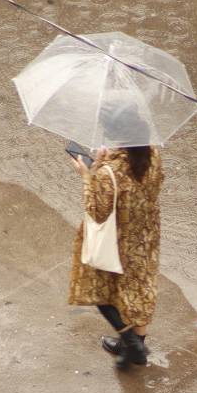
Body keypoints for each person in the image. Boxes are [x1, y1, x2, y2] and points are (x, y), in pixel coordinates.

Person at [68, 143, 164, 367]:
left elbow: (96, 211)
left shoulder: (109, 172)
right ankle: (135, 343)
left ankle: (132, 343)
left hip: (116, 242)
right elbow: (156, 183)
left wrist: (87, 175)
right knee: (139, 289)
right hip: (145, 235)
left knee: (98, 289)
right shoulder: (152, 154)